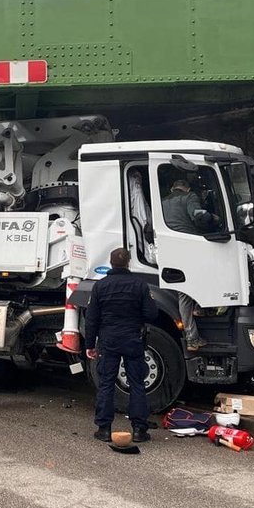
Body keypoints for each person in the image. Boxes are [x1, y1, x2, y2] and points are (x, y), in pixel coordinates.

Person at [85, 248, 158, 443]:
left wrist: (90, 344)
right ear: (128, 262)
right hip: (133, 339)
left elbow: (91, 319)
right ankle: (139, 430)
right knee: (137, 384)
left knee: (106, 383)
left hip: (108, 341)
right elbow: (152, 314)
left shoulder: (100, 286)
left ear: (110, 263)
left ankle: (104, 429)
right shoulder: (140, 285)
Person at [161, 179, 216, 350]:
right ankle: (193, 335)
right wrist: (213, 218)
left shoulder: (162, 202)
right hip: (189, 246)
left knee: (183, 289)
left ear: (172, 188)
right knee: (210, 270)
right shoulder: (189, 196)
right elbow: (198, 215)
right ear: (187, 187)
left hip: (169, 249)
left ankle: (198, 309)